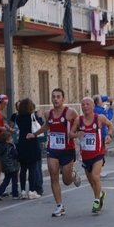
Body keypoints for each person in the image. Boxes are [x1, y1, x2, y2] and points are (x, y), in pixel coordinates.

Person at [27, 88, 81, 217]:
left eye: (58, 97)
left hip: (67, 150)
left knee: (67, 181)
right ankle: (59, 206)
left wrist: (80, 134)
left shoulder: (70, 113)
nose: (55, 99)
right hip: (53, 149)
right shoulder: (48, 114)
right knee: (53, 175)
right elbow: (47, 126)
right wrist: (35, 134)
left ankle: (72, 174)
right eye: (54, 97)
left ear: (63, 99)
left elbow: (79, 124)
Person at [69, 97, 113, 213]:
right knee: (91, 181)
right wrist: (76, 134)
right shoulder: (79, 120)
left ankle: (96, 201)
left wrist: (109, 135)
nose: (85, 107)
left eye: (88, 104)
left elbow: (110, 125)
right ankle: (101, 194)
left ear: (93, 106)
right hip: (86, 155)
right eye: (83, 105)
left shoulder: (99, 118)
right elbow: (70, 134)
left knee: (95, 177)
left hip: (98, 153)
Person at [16, 98, 41, 200]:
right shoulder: (32, 116)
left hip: (21, 142)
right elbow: (40, 124)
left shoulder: (18, 117)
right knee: (32, 168)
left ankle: (22, 190)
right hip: (31, 141)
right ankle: (32, 190)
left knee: (23, 168)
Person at [0, 131, 20, 200]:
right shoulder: (10, 147)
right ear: (7, 140)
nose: (12, 139)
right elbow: (15, 156)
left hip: (5, 166)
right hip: (13, 166)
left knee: (6, 180)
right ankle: (15, 194)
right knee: (14, 180)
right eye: (11, 138)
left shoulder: (0, 147)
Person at [93, 94, 112, 178]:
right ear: (98, 102)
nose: (102, 101)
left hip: (92, 133)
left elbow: (97, 98)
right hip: (101, 133)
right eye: (101, 100)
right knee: (100, 152)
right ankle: (99, 170)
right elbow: (109, 118)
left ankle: (95, 170)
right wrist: (110, 109)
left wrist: (107, 98)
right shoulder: (101, 111)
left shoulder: (91, 109)